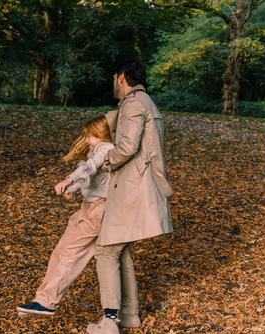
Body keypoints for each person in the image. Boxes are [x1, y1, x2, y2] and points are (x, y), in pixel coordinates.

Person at [86, 59, 174, 334]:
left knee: (105, 250)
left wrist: (102, 162)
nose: (113, 83)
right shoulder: (148, 102)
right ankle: (129, 315)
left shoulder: (134, 104)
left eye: (114, 78)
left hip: (131, 190)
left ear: (122, 77)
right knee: (121, 252)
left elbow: (126, 147)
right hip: (138, 188)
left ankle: (109, 320)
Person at [17, 116, 115, 317]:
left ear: (101, 135)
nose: (86, 140)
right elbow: (91, 176)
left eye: (89, 136)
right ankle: (41, 300)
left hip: (98, 209)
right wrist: (74, 187)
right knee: (60, 251)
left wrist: (68, 178)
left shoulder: (106, 149)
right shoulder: (97, 151)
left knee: (70, 254)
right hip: (87, 208)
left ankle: (46, 302)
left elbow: (89, 167)